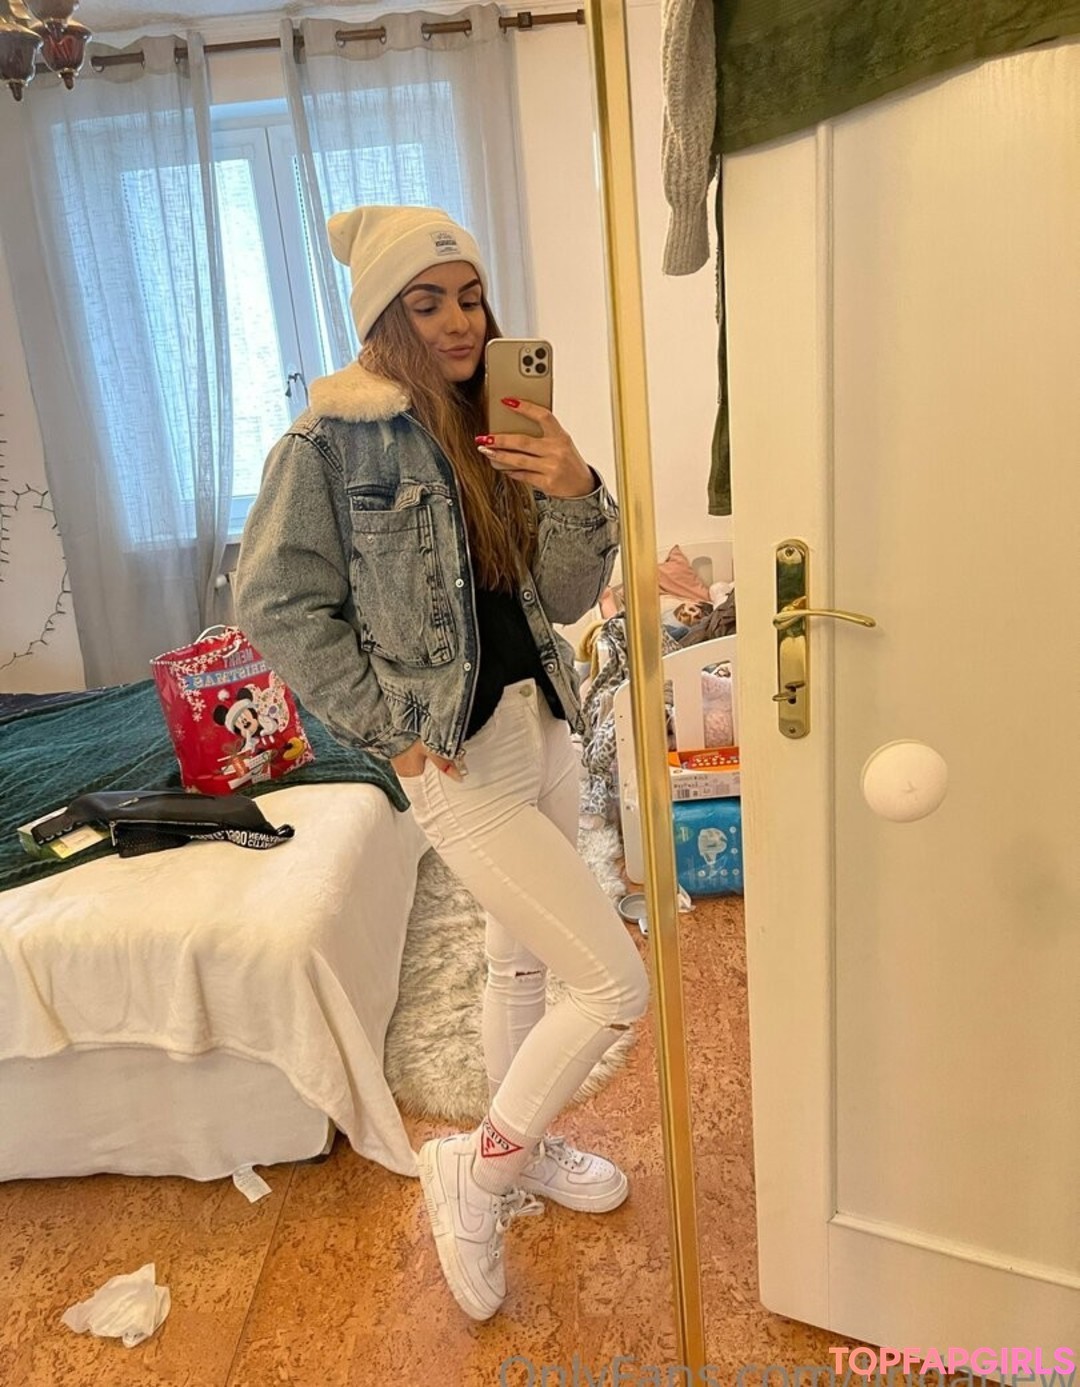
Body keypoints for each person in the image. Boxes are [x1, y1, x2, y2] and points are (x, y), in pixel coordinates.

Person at [234, 205, 649, 1322]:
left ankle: (528, 1148)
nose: (460, 321)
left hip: (540, 716)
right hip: (454, 752)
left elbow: (565, 597)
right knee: (613, 983)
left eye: (469, 297)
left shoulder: (499, 419)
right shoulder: (327, 445)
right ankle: (479, 1164)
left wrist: (575, 489)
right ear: (384, 317)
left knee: (524, 963)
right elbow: (274, 603)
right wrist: (389, 728)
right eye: (428, 302)